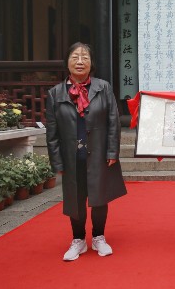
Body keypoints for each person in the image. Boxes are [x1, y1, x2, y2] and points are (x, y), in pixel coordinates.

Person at [46, 42, 127, 261]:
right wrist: (57, 163)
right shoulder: (55, 93)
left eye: (84, 57)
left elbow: (113, 121)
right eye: (75, 57)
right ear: (67, 62)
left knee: (100, 198)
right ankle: (78, 240)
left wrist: (112, 151)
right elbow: (52, 132)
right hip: (73, 156)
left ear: (92, 63)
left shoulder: (103, 87)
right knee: (75, 199)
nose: (80, 62)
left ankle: (99, 237)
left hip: (99, 153)